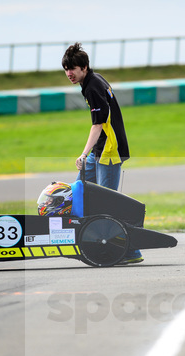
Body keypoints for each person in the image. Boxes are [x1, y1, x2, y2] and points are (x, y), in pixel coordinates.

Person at [62, 42, 142, 264]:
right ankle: (83, 240)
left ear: (84, 67)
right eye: (66, 69)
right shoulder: (91, 81)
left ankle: (130, 251)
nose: (69, 73)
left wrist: (83, 153)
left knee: (108, 202)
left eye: (73, 69)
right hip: (99, 149)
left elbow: (98, 125)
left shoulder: (93, 87)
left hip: (109, 150)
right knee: (80, 192)